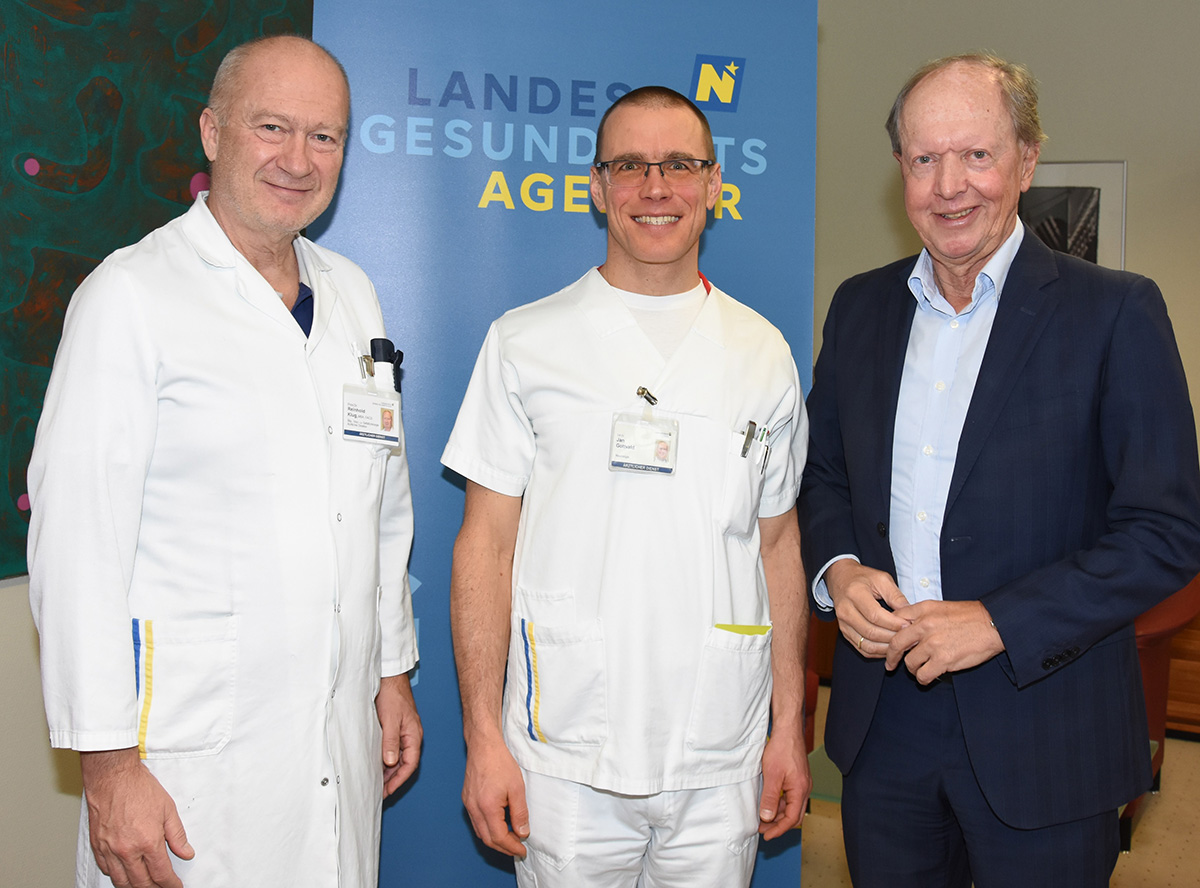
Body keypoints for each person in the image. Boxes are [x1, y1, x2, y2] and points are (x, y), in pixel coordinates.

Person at [27, 35, 420, 888]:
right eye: (271, 127)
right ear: (212, 132)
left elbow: (381, 509)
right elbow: (78, 548)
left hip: (338, 742)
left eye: (325, 136)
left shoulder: (354, 295)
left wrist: (390, 671)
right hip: (186, 764)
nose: (298, 160)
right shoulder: (130, 296)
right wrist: (108, 767)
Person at [799, 52, 1200, 886]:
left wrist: (1000, 621)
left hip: (1046, 726)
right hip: (884, 723)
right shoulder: (860, 307)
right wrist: (838, 567)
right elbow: (823, 474)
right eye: (924, 159)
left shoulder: (1116, 312)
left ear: (1026, 159)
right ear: (900, 170)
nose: (949, 186)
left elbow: (1165, 532)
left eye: (976, 154)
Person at [441, 86, 810, 887]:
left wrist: (790, 726)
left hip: (720, 749)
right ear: (597, 186)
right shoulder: (525, 342)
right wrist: (482, 736)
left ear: (714, 184)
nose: (655, 186)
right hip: (565, 753)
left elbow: (779, 545)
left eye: (679, 164)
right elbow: (485, 546)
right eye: (630, 166)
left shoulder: (763, 353)